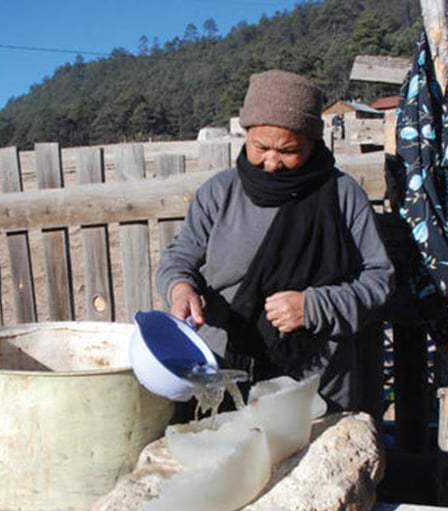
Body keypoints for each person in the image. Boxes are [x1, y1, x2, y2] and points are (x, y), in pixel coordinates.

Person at [155, 69, 394, 413]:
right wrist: (180, 289)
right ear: (246, 135)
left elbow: (379, 282)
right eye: (261, 147)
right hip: (224, 377)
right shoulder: (219, 193)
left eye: (288, 150)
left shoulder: (341, 197)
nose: (271, 161)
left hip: (315, 387)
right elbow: (179, 258)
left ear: (313, 142)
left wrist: (315, 307)